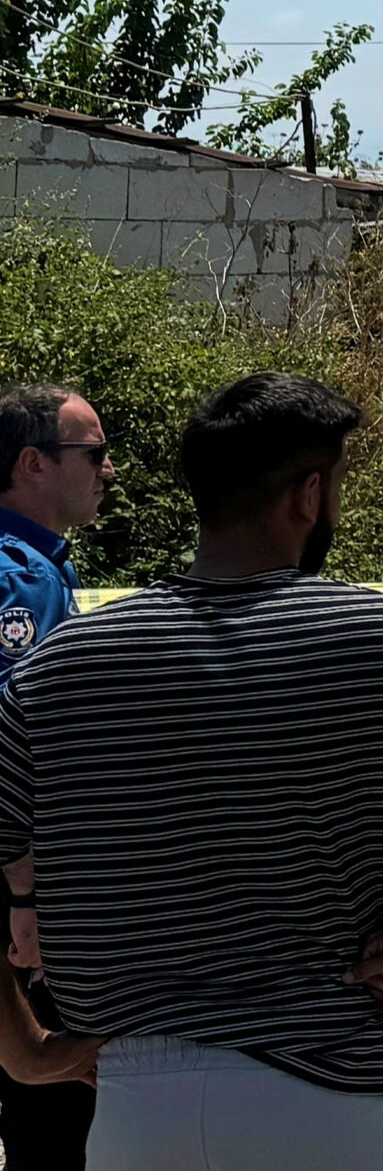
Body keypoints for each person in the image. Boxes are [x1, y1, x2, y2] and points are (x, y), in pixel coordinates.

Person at [0, 371, 383, 1170]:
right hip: (334, 1092)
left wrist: (24, 1050)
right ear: (310, 495)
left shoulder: (60, 667)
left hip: (134, 1105)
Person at [0, 387, 105, 1171]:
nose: (108, 471)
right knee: (54, 1112)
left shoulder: (37, 568)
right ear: (33, 464)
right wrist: (25, 894)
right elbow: (13, 749)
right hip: (22, 886)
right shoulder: (20, 579)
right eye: (93, 454)